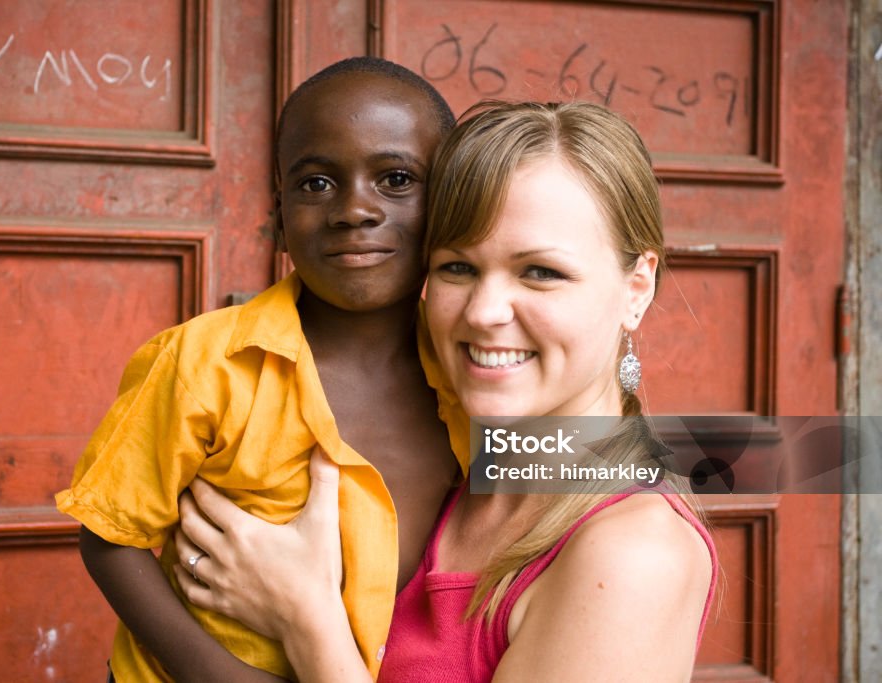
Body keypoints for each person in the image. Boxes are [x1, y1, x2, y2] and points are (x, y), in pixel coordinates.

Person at [173, 100, 719, 682]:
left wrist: (308, 623)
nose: (483, 313)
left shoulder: (633, 554)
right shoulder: (446, 462)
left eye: (541, 272)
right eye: (458, 268)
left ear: (637, 287)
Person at [55, 57, 471, 682]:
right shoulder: (205, 364)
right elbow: (109, 538)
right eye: (316, 184)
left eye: (395, 178)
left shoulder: (474, 374)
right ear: (278, 216)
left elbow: (608, 475)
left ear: (450, 207)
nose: (353, 209)